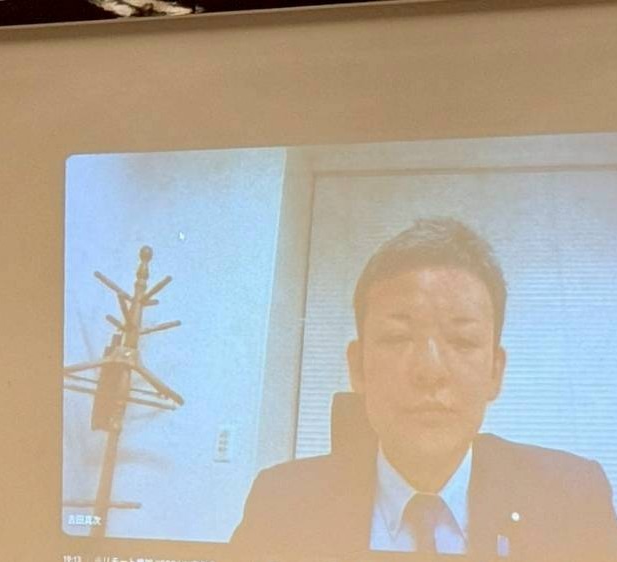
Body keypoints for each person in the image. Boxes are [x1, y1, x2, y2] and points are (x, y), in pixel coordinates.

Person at [230, 218, 617, 561]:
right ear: (358, 367)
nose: (430, 371)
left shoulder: (572, 498)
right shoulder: (281, 502)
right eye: (398, 337)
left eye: (462, 341)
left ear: (495, 372)